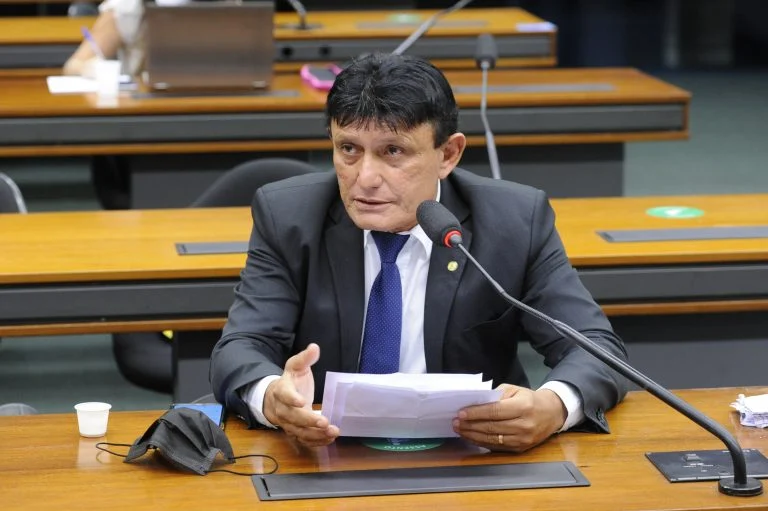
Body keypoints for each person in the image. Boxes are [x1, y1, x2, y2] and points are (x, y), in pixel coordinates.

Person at [210, 53, 628, 452]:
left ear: (448, 154)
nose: (365, 178)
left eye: (393, 151)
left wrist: (553, 407)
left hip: (475, 454)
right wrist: (272, 398)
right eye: (349, 149)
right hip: (325, 449)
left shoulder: (514, 220)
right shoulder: (289, 216)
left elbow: (597, 348)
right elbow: (241, 346)